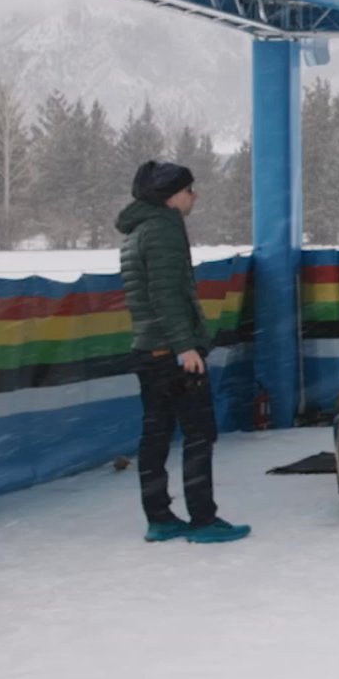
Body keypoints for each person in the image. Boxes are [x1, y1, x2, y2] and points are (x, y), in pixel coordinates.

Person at [118, 160, 249, 544]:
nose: (195, 195)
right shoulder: (162, 229)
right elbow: (166, 295)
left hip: (148, 349)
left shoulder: (138, 228)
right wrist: (185, 347)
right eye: (189, 189)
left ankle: (159, 518)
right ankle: (203, 520)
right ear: (170, 195)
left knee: (155, 435)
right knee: (198, 433)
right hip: (171, 353)